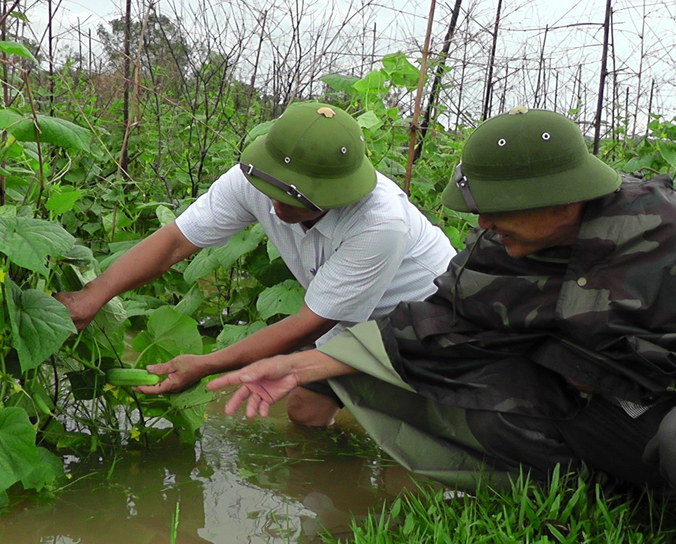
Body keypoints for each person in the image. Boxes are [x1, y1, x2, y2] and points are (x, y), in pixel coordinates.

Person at [206, 107, 676, 512]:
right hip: (602, 406)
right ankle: (614, 501)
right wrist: (300, 364)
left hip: (674, 406)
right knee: (481, 405)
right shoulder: (497, 246)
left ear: (563, 200)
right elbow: (441, 321)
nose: (484, 221)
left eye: (499, 206)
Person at [56, 101, 455, 427]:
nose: (278, 204)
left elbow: (309, 324)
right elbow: (175, 242)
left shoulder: (380, 222)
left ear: (338, 193)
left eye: (299, 198)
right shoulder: (253, 180)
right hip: (349, 317)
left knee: (407, 439)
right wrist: (94, 294)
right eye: (273, 190)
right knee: (304, 410)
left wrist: (205, 365)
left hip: (425, 323)